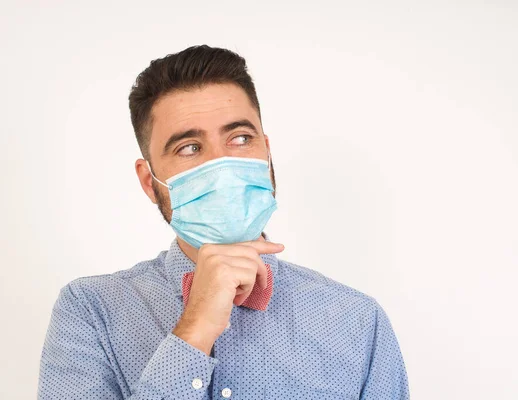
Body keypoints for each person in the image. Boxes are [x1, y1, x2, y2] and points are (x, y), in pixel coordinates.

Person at [38, 44, 410, 399]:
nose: (221, 164)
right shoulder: (90, 311)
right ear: (149, 182)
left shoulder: (359, 321)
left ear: (267, 153)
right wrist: (194, 329)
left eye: (240, 138)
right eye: (189, 147)